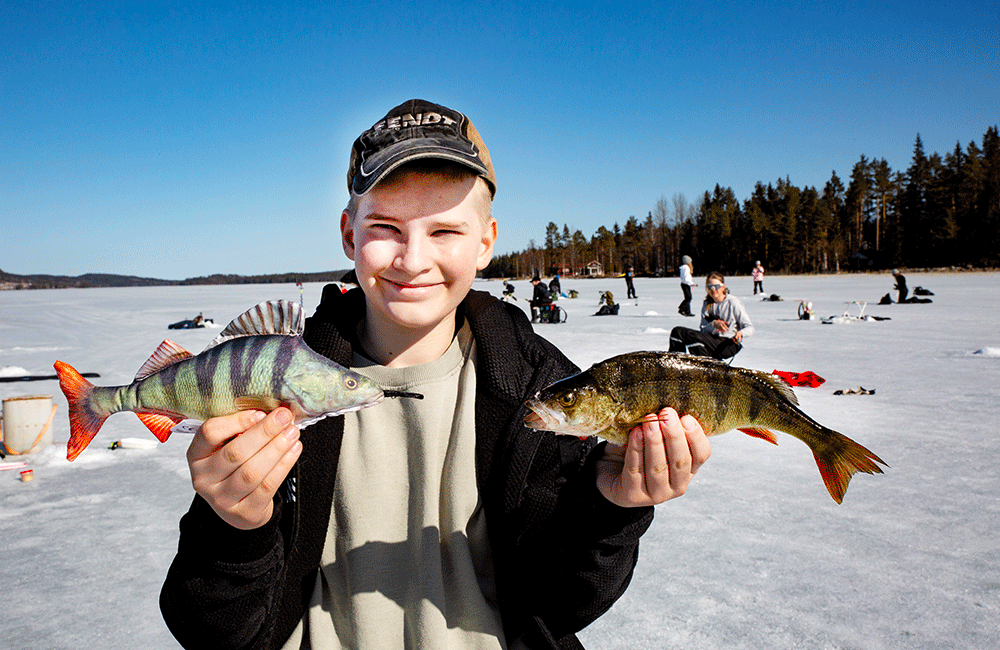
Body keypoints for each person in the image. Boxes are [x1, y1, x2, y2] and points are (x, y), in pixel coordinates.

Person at [159, 98, 713, 650]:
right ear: (349, 233)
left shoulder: (545, 391)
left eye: (445, 231)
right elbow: (214, 631)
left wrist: (612, 508)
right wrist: (233, 527)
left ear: (486, 242)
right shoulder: (283, 386)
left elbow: (560, 603)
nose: (412, 258)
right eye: (386, 227)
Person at [669, 272, 754, 360]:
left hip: (728, 343)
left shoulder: (732, 303)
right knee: (677, 332)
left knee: (694, 338)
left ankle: (705, 366)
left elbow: (750, 328)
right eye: (710, 287)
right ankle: (675, 363)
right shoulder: (707, 304)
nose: (713, 289)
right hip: (711, 340)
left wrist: (740, 333)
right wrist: (713, 324)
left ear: (723, 287)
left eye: (716, 286)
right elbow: (703, 329)